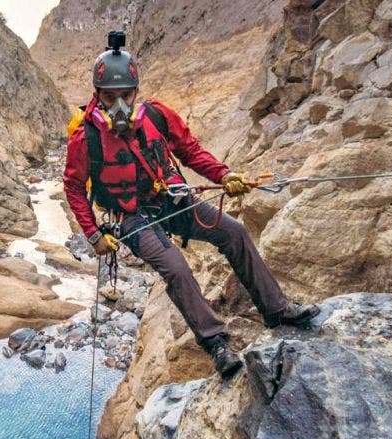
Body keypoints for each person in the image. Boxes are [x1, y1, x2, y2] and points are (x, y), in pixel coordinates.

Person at [63, 35, 319, 379]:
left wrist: (225, 174)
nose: (119, 105)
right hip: (131, 217)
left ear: (136, 91)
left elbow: (190, 151)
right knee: (176, 268)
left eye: (126, 95)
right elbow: (74, 187)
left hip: (172, 199)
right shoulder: (86, 137)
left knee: (235, 232)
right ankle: (215, 343)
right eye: (110, 97)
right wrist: (93, 234)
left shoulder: (156, 116)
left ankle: (277, 310)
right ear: (97, 95)